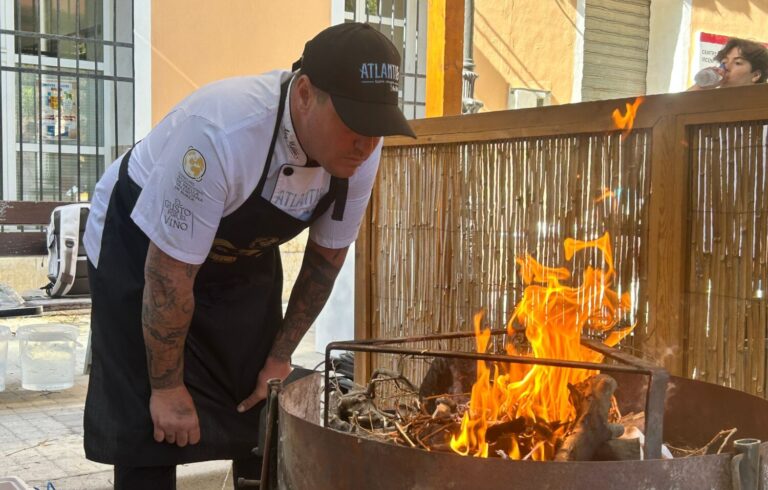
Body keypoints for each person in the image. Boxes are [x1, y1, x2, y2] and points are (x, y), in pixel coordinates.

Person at [82, 22, 415, 488]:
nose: (367, 142)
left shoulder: (361, 152)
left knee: (258, 398)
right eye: (355, 121)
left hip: (238, 255)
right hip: (140, 250)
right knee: (151, 424)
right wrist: (167, 388)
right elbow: (168, 273)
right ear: (304, 94)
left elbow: (326, 260)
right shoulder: (223, 131)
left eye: (378, 128)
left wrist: (280, 357)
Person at [689, 37, 768, 90]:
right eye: (724, 62)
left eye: (737, 63)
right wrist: (700, 86)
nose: (726, 67)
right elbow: (678, 107)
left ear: (756, 75)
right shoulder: (711, 102)